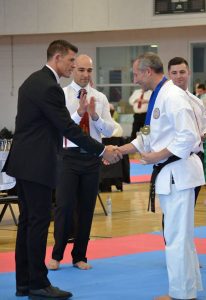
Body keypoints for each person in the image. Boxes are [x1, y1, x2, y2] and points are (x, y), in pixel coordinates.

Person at [2, 40, 122, 299]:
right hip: (37, 164)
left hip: (24, 162)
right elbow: (67, 128)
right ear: (57, 58)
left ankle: (24, 283)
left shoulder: (32, 81)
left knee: (27, 224)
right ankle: (37, 284)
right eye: (71, 61)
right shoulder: (50, 87)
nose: (73, 66)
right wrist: (102, 151)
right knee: (38, 223)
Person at [118, 52, 205, 300]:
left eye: (136, 74)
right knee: (181, 236)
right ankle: (188, 289)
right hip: (173, 173)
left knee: (176, 237)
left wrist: (157, 156)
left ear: (147, 72)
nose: (135, 80)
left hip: (178, 171)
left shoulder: (173, 97)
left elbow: (189, 136)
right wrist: (120, 151)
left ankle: (180, 294)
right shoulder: (158, 96)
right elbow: (147, 133)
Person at [48, 54, 115, 271]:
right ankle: (57, 255)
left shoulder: (100, 97)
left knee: (87, 209)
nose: (85, 75)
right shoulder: (62, 94)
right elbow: (61, 126)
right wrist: (79, 113)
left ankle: (80, 256)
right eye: (81, 70)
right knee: (64, 207)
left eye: (89, 71)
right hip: (68, 157)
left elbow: (110, 129)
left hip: (92, 158)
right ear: (73, 69)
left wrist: (94, 117)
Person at [168, 56, 206, 201]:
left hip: (195, 158)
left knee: (189, 210)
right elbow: (147, 127)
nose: (179, 76)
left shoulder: (197, 102)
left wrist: (201, 135)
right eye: (175, 73)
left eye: (182, 72)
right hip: (172, 158)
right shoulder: (163, 100)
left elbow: (203, 127)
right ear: (169, 75)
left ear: (189, 72)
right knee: (173, 210)